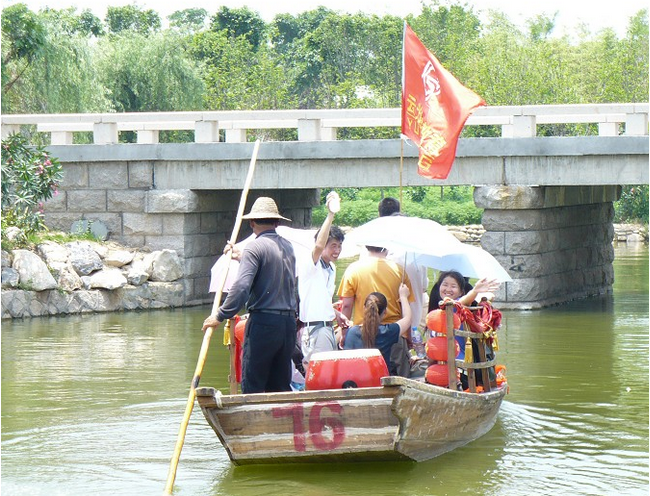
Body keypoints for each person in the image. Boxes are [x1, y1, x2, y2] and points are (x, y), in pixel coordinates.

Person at [201, 197, 298, 394]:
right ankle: (278, 423)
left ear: (252, 223)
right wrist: (241, 257)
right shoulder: (288, 247)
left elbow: (242, 286)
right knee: (279, 386)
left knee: (253, 385)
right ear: (277, 223)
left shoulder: (254, 247)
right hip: (288, 324)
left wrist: (220, 315)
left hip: (264, 324)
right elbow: (290, 284)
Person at [297, 191, 350, 369]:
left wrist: (337, 314)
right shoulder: (310, 263)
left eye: (340, 246)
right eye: (333, 245)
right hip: (315, 329)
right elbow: (319, 246)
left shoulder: (332, 268)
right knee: (322, 373)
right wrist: (331, 214)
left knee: (327, 373)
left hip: (327, 327)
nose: (337, 250)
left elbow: (323, 299)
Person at [427, 270, 499, 388]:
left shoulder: (458, 308)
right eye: (445, 284)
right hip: (440, 368)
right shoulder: (436, 314)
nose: (448, 289)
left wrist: (475, 291)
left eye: (453, 286)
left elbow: (460, 303)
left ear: (461, 291)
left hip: (460, 370)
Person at [337, 245, 414, 337]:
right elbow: (406, 307)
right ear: (387, 246)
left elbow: (346, 306)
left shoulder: (353, 269)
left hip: (362, 332)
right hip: (394, 333)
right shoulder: (400, 271)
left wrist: (344, 334)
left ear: (366, 246)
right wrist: (408, 336)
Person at [377, 197, 429, 330]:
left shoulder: (379, 249)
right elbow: (423, 287)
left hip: (389, 322)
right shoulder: (418, 249)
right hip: (413, 321)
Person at [344, 284, 412, 370]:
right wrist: (403, 297)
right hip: (380, 381)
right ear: (385, 312)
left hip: (357, 381)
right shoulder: (388, 332)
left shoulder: (352, 332)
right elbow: (408, 318)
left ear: (364, 308)